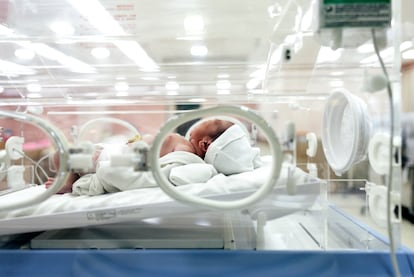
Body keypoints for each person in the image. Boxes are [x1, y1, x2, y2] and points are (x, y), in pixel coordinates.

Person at [45, 119, 234, 194]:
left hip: (116, 158)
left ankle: (68, 181)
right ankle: (73, 176)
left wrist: (139, 151)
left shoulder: (186, 151)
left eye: (213, 122)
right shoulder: (183, 142)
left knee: (62, 156)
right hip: (117, 151)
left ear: (205, 143)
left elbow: (161, 171)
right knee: (60, 156)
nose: (207, 118)